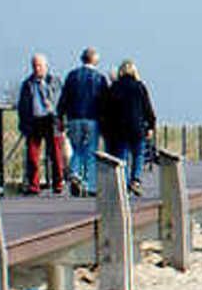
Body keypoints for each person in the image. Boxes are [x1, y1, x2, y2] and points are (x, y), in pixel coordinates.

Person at [100, 58, 158, 196]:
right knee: (138, 154)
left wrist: (107, 129)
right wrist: (151, 125)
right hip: (137, 127)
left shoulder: (114, 87)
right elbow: (147, 107)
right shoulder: (139, 86)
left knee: (122, 156)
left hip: (120, 129)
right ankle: (135, 180)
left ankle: (124, 183)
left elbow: (108, 110)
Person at [58, 48, 109, 197]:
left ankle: (74, 172)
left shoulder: (72, 76)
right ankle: (90, 184)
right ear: (95, 60)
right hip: (92, 118)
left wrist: (60, 116)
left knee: (76, 148)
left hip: (74, 118)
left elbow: (64, 98)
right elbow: (104, 102)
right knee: (90, 151)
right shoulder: (99, 78)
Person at [16, 53, 66, 195]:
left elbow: (60, 100)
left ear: (46, 66)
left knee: (55, 154)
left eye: (39, 66)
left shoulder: (54, 81)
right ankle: (34, 184)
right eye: (35, 66)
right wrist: (23, 123)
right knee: (32, 155)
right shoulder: (27, 84)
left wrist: (61, 119)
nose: (37, 69)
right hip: (34, 120)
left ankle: (58, 182)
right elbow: (23, 105)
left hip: (51, 120)